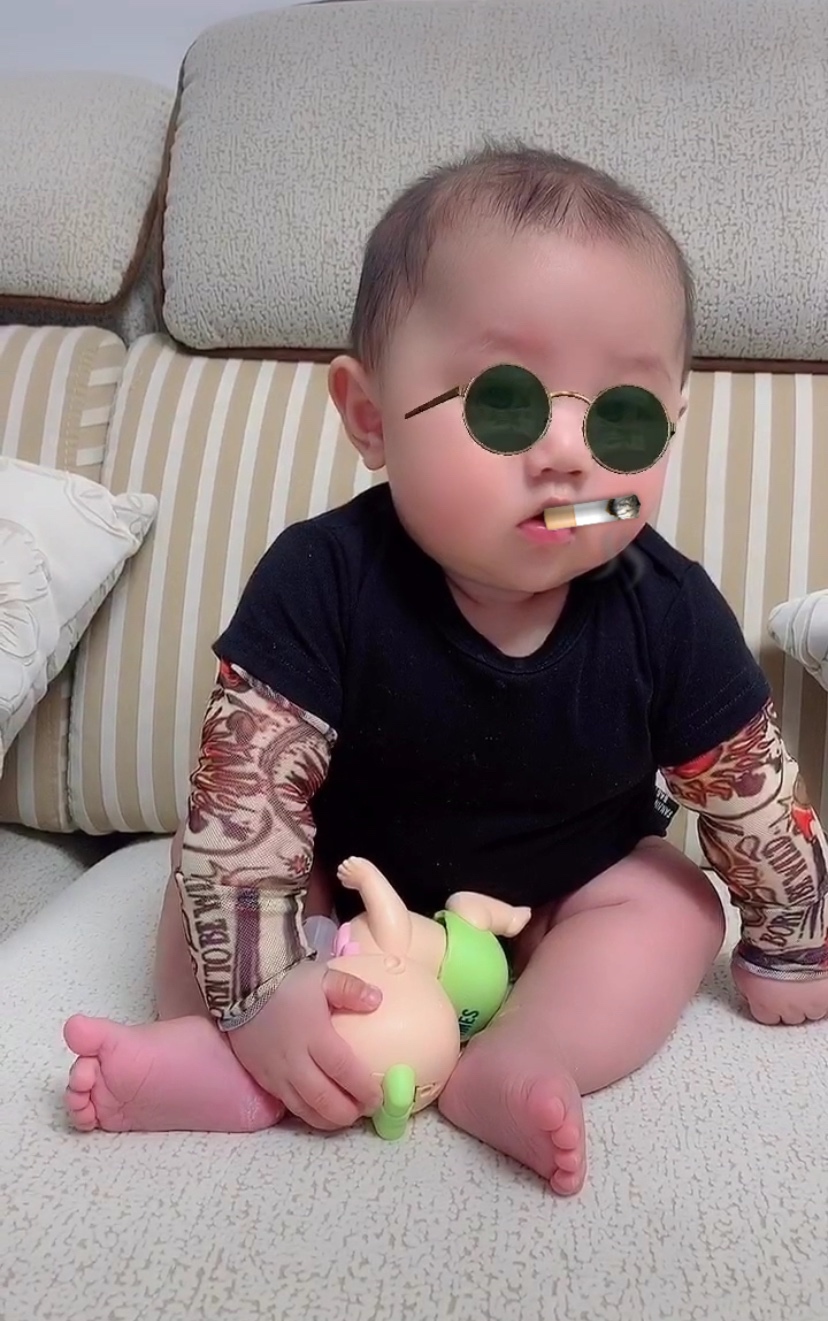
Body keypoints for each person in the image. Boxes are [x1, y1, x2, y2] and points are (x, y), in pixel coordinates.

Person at [63, 144, 828, 1196]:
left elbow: (751, 790)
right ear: (370, 416)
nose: (570, 453)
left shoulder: (669, 609)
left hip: (554, 907)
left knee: (672, 901)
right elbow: (245, 798)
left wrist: (792, 938)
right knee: (208, 877)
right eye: (505, 404)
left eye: (622, 415)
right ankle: (230, 1057)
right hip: (345, 895)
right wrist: (262, 988)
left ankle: (528, 1050)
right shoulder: (321, 577)